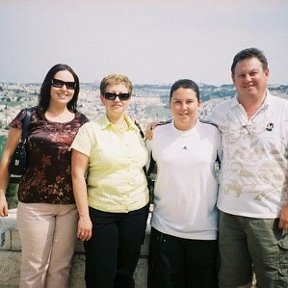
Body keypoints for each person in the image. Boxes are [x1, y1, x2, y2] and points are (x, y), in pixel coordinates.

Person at [0, 63, 88, 288]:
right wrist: (1, 194)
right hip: (34, 204)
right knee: (34, 269)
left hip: (69, 206)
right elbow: (7, 158)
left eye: (70, 85)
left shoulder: (82, 122)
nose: (64, 89)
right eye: (58, 82)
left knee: (61, 268)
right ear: (48, 85)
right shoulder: (28, 116)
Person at [209, 48, 288, 288]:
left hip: (270, 215)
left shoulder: (285, 111)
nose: (247, 79)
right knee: (232, 282)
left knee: (274, 281)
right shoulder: (220, 113)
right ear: (233, 79)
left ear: (266, 73)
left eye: (253, 73)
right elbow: (193, 130)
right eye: (241, 75)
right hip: (229, 214)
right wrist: (157, 127)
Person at [70, 73, 149, 288]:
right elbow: (77, 174)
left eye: (123, 95)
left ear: (130, 99)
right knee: (100, 275)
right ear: (101, 98)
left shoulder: (137, 130)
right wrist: (84, 217)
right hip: (101, 213)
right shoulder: (90, 131)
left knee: (126, 274)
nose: (117, 100)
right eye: (110, 94)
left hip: (136, 210)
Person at [147, 79, 220, 288]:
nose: (183, 107)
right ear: (169, 103)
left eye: (189, 101)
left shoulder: (214, 134)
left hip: (205, 232)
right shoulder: (156, 134)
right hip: (164, 231)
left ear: (200, 104)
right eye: (177, 102)